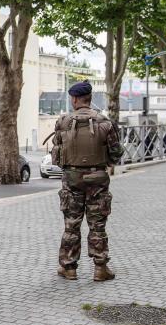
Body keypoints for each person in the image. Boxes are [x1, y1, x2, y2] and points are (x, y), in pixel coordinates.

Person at [51, 81, 124, 282]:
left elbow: (56, 156)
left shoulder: (63, 122)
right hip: (98, 181)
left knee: (71, 225)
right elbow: (116, 154)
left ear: (74, 99)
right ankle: (100, 268)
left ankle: (69, 268)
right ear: (89, 99)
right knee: (97, 225)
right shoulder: (105, 122)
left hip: (71, 181)